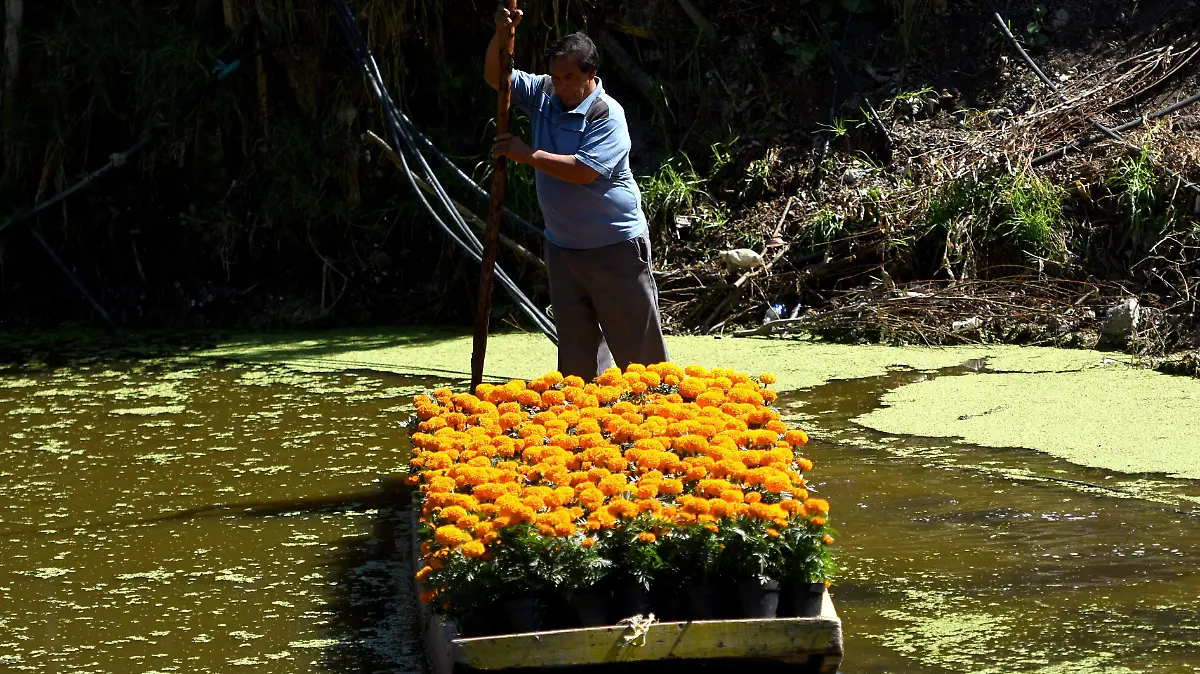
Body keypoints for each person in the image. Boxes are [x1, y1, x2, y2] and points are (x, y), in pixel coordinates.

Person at [484, 5, 669, 380]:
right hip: (564, 249)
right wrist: (501, 36)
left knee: (640, 357)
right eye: (557, 76)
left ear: (591, 74)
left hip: (614, 247)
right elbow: (496, 76)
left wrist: (526, 153)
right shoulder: (545, 92)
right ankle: (587, 426)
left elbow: (584, 172)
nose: (562, 85)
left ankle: (658, 419)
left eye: (570, 77)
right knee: (577, 357)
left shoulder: (606, 114)